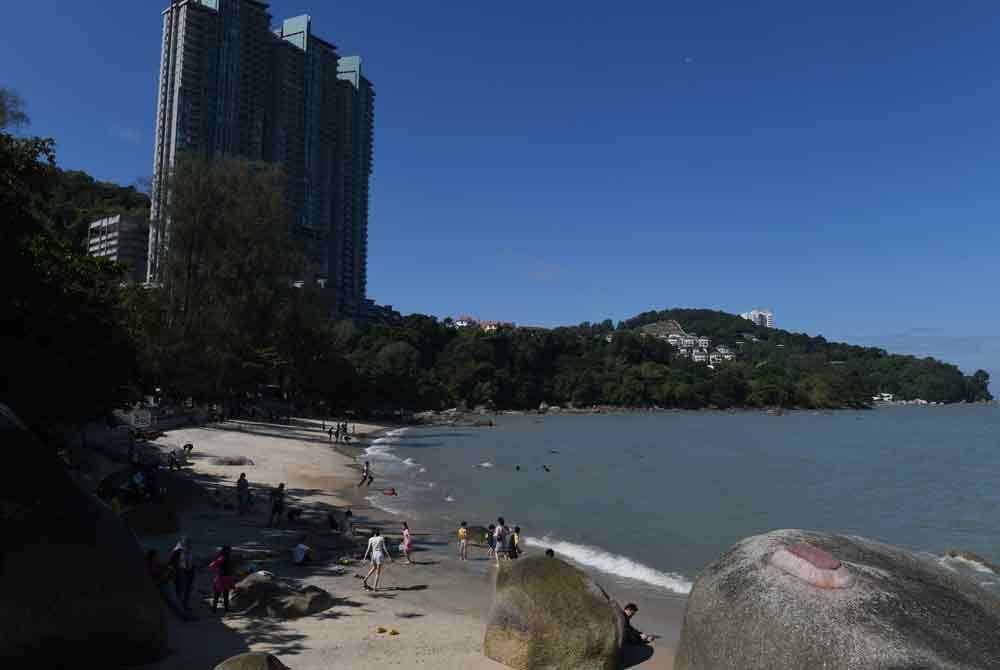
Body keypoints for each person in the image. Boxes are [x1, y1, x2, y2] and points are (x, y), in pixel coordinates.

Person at [169, 536, 196, 610]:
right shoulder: (177, 551)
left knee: (187, 590)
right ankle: (180, 606)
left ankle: (184, 605)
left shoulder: (189, 550)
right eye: (187, 543)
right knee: (181, 590)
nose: (189, 545)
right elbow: (171, 563)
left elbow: (191, 562)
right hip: (180, 572)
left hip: (188, 572)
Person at [209, 545, 236, 613]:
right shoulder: (226, 558)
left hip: (221, 578)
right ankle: (225, 609)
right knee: (225, 594)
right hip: (226, 578)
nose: (230, 552)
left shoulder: (222, 558)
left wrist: (216, 570)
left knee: (217, 594)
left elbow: (212, 566)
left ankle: (214, 609)